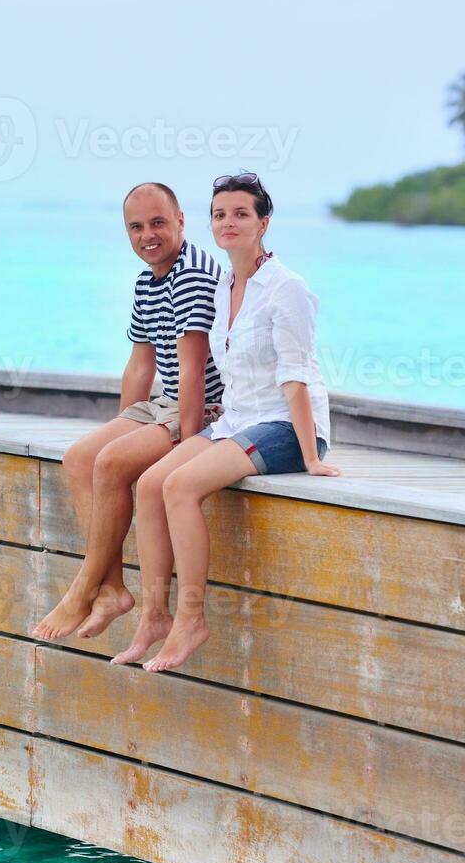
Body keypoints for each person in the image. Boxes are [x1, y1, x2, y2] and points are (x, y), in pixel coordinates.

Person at [112, 172, 341, 672]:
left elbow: (296, 376)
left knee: (181, 486)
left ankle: (190, 619)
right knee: (151, 483)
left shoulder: (287, 289)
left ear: (264, 223)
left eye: (241, 213)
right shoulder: (225, 286)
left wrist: (309, 455)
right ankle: (154, 616)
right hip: (236, 420)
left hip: (284, 427)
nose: (228, 222)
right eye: (220, 214)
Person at [31, 182, 225, 641]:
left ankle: (82, 588)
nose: (147, 235)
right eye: (136, 227)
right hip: (164, 402)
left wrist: (189, 444)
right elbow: (141, 365)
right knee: (82, 457)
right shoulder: (147, 281)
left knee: (113, 462)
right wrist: (124, 434)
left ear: (180, 220)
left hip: (208, 407)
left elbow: (194, 370)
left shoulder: (193, 274)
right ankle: (113, 588)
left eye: (158, 222)